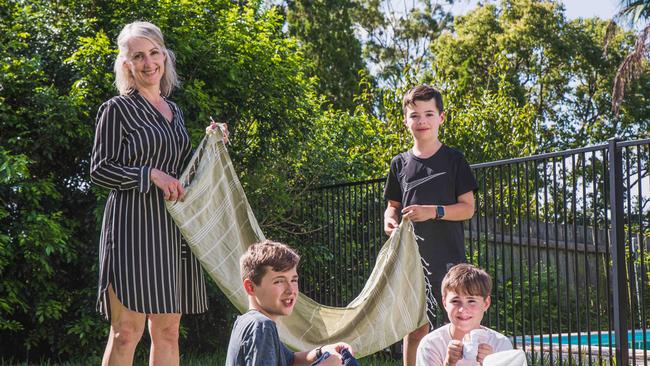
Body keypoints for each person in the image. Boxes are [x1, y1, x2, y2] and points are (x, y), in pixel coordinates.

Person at [90, 21, 226, 365]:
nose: (148, 62)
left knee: (167, 331)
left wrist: (212, 143)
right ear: (127, 64)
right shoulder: (116, 109)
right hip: (132, 228)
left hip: (172, 228)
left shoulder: (174, 111)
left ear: (164, 56)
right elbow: (99, 170)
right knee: (126, 331)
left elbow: (180, 174)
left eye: (154, 53)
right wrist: (148, 174)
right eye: (138, 56)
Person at [383, 84, 478, 366]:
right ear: (405, 120)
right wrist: (389, 219)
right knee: (416, 328)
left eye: (428, 114)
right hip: (411, 260)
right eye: (414, 115)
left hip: (449, 259)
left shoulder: (455, 160)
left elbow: (468, 209)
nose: (421, 121)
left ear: (441, 117)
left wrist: (432, 211)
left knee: (457, 326)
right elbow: (392, 206)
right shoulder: (399, 164)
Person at [226, 240, 357, 365]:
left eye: (294, 280)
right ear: (250, 287)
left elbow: (291, 360)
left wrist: (322, 351)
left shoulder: (247, 322)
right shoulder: (261, 326)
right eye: (278, 281)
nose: (290, 290)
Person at [415, 264, 513, 365]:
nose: (462, 309)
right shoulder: (431, 344)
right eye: (455, 301)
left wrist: (491, 363)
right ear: (445, 303)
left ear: (486, 303)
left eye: (471, 301)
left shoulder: (500, 345)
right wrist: (448, 364)